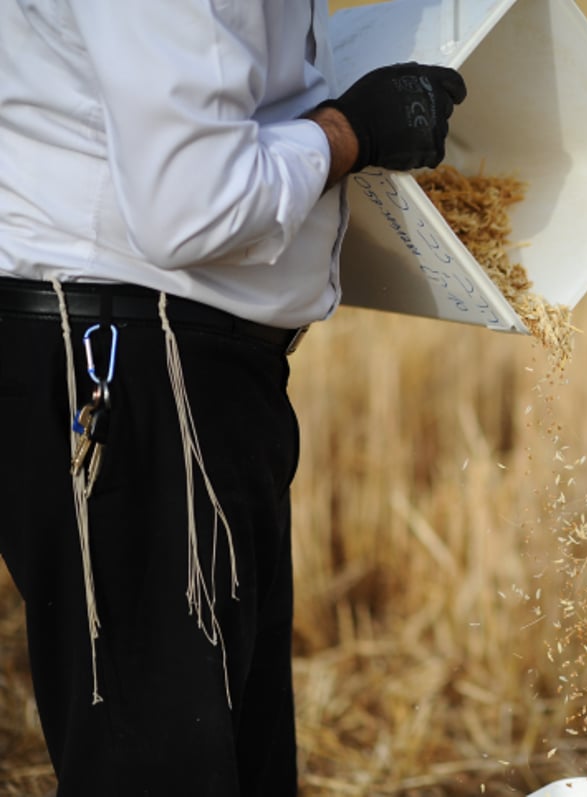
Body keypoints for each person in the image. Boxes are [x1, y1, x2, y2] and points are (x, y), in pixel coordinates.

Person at [0, 1, 466, 794]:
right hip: (135, 364)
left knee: (221, 761)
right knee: (164, 768)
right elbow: (192, 205)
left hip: (164, 356)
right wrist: (350, 132)